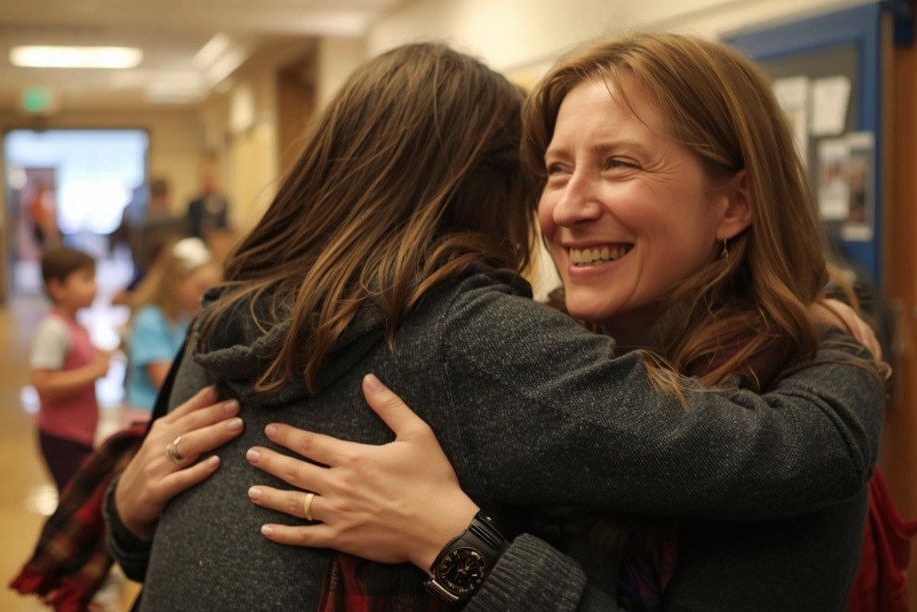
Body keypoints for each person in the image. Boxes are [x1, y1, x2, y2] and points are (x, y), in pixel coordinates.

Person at [103, 41, 884, 611]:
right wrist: (848, 350)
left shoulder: (227, 316)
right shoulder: (490, 342)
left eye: (619, 164)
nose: (563, 207)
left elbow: (792, 455)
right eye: (551, 169)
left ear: (735, 204)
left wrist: (458, 548)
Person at [30, 246, 112, 491]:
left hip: (79, 434)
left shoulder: (77, 325)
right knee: (72, 504)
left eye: (94, 278)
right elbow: (42, 384)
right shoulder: (53, 330)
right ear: (57, 288)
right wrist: (96, 370)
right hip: (61, 437)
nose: (95, 286)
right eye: (86, 279)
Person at [122, 237, 219, 426]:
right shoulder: (149, 320)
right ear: (175, 282)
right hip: (147, 417)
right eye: (201, 287)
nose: (207, 295)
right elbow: (166, 383)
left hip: (172, 413)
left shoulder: (184, 317)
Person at [184, 171, 230, 241]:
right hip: (197, 240)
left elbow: (224, 224)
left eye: (211, 180)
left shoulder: (222, 202)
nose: (208, 183)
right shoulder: (193, 204)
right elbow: (189, 226)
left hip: (216, 240)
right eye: (206, 180)